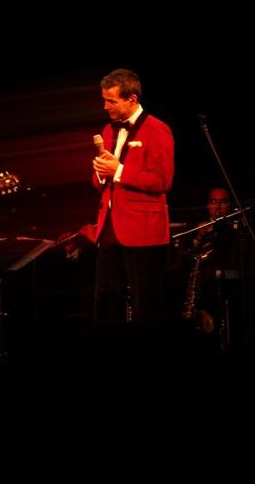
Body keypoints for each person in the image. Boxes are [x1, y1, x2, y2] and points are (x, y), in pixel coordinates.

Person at [90, 69, 174, 323]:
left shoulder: (157, 130)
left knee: (145, 304)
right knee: (106, 301)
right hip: (110, 227)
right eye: (104, 100)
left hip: (142, 229)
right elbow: (100, 182)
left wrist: (119, 171)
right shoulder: (107, 130)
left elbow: (162, 181)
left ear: (132, 99)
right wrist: (101, 174)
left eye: (111, 101)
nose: (105, 106)